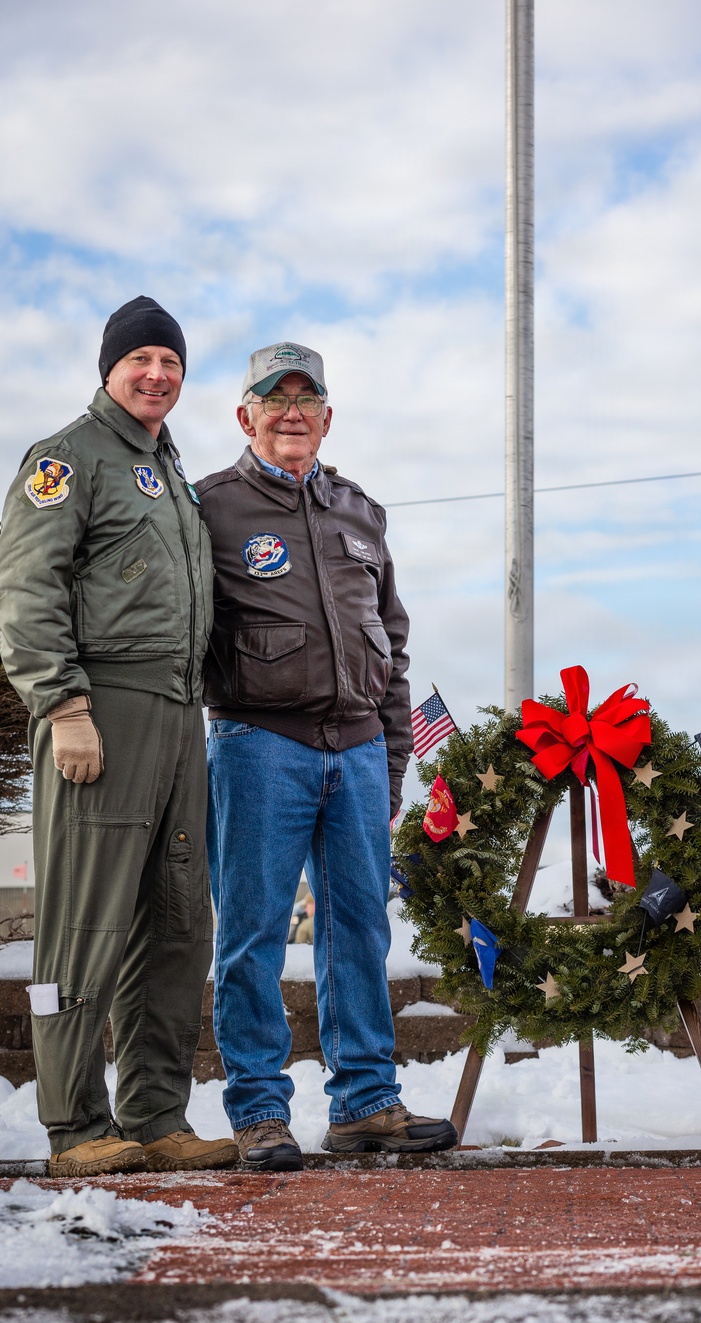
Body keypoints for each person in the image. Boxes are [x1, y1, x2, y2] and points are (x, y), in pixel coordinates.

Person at [196, 341, 458, 1168]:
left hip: (357, 749)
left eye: (306, 399)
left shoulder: (361, 511)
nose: (292, 413)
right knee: (253, 933)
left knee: (359, 929)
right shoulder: (209, 507)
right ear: (246, 416)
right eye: (275, 400)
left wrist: (392, 762)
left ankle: (366, 1103)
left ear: (327, 416)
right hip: (257, 745)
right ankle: (259, 1111)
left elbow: (392, 645)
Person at [0, 296, 238, 1177]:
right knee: (84, 922)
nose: (157, 373)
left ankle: (156, 1114)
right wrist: (64, 708)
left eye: (171, 362)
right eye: (141, 358)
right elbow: (28, 589)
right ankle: (74, 1126)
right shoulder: (66, 458)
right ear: (109, 368)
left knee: (177, 925)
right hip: (102, 710)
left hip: (179, 717)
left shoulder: (170, 472)